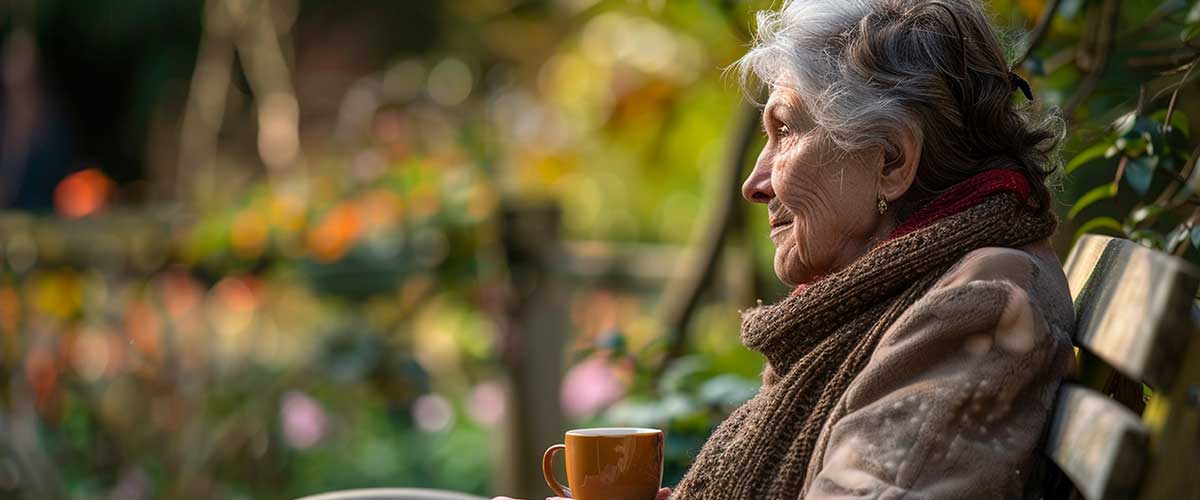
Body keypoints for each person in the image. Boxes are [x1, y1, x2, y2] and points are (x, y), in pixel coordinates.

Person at [498, 0, 1073, 498]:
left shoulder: (980, 302)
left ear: (892, 162)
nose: (755, 182)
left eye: (787, 130)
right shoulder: (893, 300)